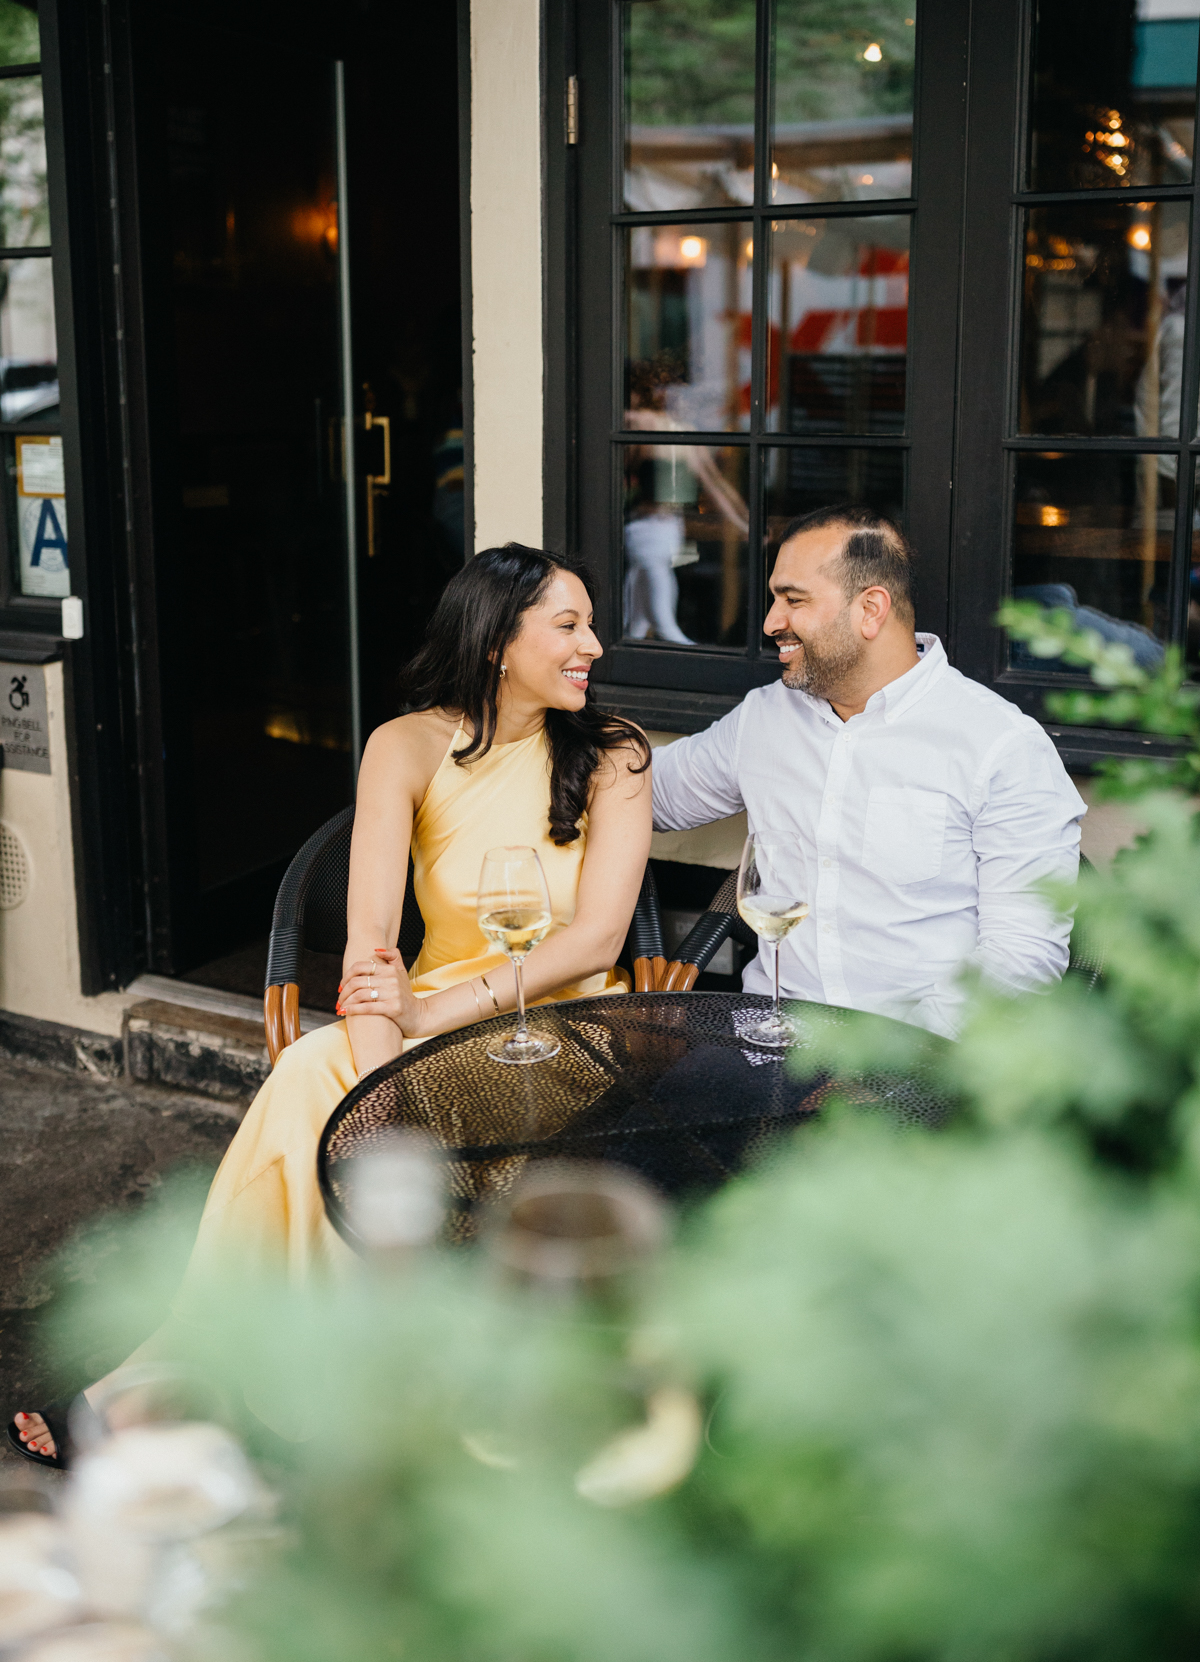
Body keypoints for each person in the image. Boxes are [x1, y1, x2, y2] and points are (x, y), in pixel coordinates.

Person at [10, 544, 651, 1467]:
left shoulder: (615, 755)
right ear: (495, 644)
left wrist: (425, 1023)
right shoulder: (405, 746)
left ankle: (210, 1367)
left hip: (564, 1028)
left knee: (317, 1087)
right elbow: (370, 952)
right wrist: (385, 1071)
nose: (593, 643)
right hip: (420, 1007)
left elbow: (593, 941)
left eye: (590, 623)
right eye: (568, 625)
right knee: (329, 1081)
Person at [652, 505, 1087, 1038]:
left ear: (870, 609)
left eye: (793, 600)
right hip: (769, 1042)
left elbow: (1022, 957)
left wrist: (885, 1068)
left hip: (921, 1061)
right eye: (774, 599)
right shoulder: (764, 718)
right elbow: (648, 797)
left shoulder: (1000, 745)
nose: (770, 622)